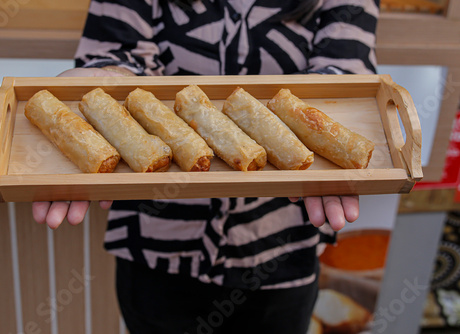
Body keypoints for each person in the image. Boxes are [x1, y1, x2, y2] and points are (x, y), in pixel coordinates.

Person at [33, 1, 379, 333]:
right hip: (156, 244)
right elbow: (118, 52)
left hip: (281, 251)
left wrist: (330, 127)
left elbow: (345, 71)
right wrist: (106, 75)